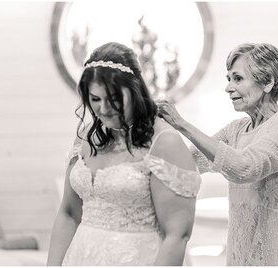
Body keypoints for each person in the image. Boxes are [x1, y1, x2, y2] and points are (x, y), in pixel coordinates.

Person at [157, 43, 278, 265]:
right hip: (242, 255)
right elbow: (186, 164)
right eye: (228, 79)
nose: (228, 87)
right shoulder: (235, 129)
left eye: (238, 78)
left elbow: (245, 168)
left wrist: (180, 124)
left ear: (268, 82)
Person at [46, 42, 201, 266]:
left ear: (136, 89)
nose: (104, 108)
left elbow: (176, 236)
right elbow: (69, 213)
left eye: (114, 99)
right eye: (95, 99)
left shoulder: (164, 141)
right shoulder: (86, 136)